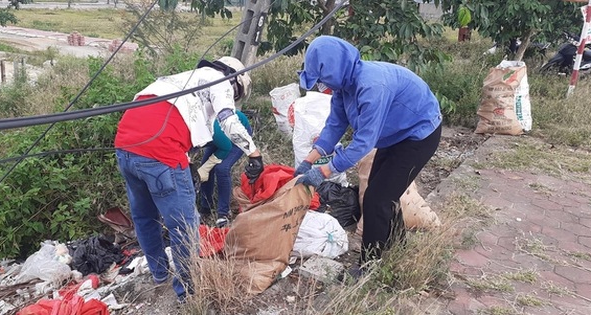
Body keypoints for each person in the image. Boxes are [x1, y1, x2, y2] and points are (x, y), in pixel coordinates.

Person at [114, 56, 264, 303]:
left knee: (144, 216)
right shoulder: (221, 80)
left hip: (125, 149)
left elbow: (162, 119)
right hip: (161, 153)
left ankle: (159, 274)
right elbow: (228, 118)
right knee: (184, 225)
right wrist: (254, 154)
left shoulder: (175, 80)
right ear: (236, 80)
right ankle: (189, 292)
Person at [294, 36, 442, 276]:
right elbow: (334, 125)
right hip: (395, 134)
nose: (320, 86)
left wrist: (323, 172)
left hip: (419, 134)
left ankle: (368, 266)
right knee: (382, 191)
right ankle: (397, 244)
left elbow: (364, 142)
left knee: (376, 198)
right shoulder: (344, 87)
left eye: (321, 79)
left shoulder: (372, 86)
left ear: (334, 69)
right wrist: (308, 161)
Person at [196, 109, 252, 228]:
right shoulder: (189, 128)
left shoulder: (212, 129)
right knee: (204, 169)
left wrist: (206, 167)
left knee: (221, 169)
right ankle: (206, 208)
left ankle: (223, 213)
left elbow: (225, 147)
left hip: (237, 134)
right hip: (219, 138)